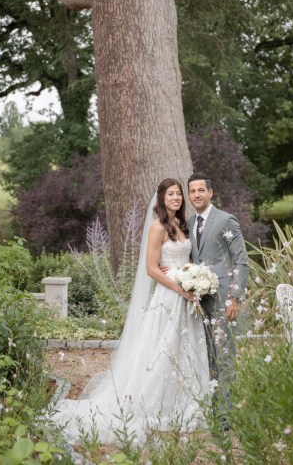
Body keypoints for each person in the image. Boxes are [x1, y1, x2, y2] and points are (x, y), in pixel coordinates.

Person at [50, 178, 210, 444]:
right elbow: (151, 268)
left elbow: (186, 260)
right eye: (171, 194)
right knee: (162, 351)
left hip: (186, 298)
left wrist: (194, 277)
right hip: (169, 297)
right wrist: (180, 288)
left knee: (184, 350)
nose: (177, 198)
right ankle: (152, 403)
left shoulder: (182, 226)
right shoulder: (157, 227)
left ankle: (184, 402)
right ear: (161, 199)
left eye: (179, 194)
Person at [187, 172, 249, 424]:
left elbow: (241, 260)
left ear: (210, 193)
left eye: (201, 190)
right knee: (207, 355)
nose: (197, 195)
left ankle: (226, 414)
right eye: (192, 191)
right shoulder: (189, 222)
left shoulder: (226, 220)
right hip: (200, 301)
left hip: (224, 299)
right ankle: (212, 409)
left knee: (225, 354)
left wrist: (235, 297)